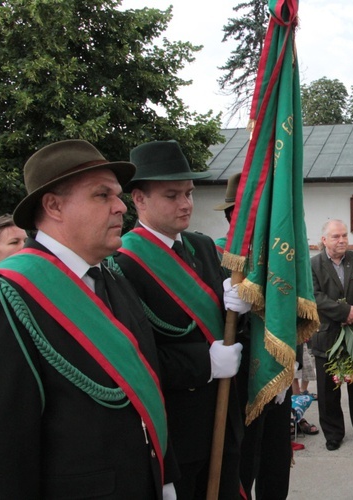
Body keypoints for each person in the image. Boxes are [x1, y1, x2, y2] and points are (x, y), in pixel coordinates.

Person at [0, 139, 176, 498]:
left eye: (118, 195)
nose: (120, 207)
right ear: (54, 206)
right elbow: (10, 439)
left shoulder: (110, 276)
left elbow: (146, 385)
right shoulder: (13, 295)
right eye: (102, 195)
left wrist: (165, 476)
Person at [114, 140, 246, 499]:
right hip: (177, 427)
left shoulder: (202, 246)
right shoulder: (123, 263)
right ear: (138, 199)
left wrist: (241, 310)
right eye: (172, 195)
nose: (186, 203)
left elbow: (226, 329)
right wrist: (202, 362)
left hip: (225, 411)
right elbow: (136, 356)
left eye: (188, 192)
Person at [213, 172, 299, 498]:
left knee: (275, 457)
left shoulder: (277, 258)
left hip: (277, 369)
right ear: (236, 217)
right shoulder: (217, 255)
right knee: (242, 459)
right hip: (238, 375)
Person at [310, 219, 353, 452]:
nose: (342, 240)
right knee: (328, 390)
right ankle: (333, 434)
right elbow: (314, 296)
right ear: (324, 240)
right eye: (336, 237)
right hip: (327, 335)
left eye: (344, 236)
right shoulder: (313, 265)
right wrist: (343, 312)